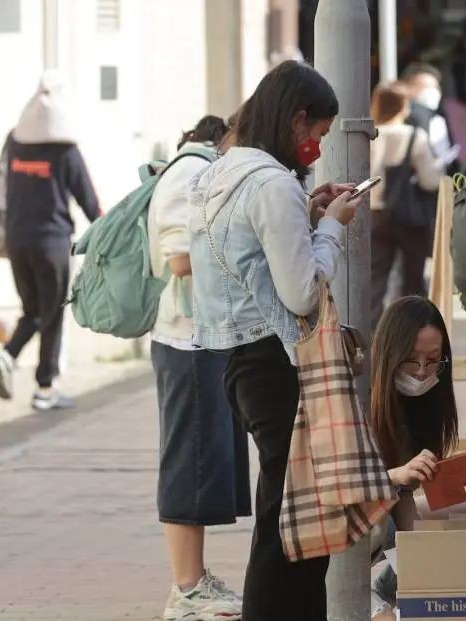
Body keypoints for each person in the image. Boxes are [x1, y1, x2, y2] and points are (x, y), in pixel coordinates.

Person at [188, 60, 361, 621]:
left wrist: (308, 212)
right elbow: (303, 293)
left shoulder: (219, 174)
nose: (317, 147)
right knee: (294, 525)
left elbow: (249, 254)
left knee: (283, 515)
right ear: (296, 119)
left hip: (239, 360)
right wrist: (332, 226)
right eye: (319, 133)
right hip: (279, 363)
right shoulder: (273, 184)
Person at [148, 116, 251, 621]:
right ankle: (186, 589)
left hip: (207, 336)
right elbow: (179, 259)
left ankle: (194, 581)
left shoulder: (206, 170)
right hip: (185, 337)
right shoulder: (190, 172)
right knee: (188, 462)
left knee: (204, 462)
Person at [0, 70, 100, 411]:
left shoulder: (15, 141)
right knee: (51, 313)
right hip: (52, 243)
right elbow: (88, 199)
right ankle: (45, 387)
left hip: (17, 239)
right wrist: (108, 234)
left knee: (33, 310)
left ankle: (8, 355)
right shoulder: (65, 150)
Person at [368, 296, 459, 621]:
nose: (421, 372)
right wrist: (396, 475)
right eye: (410, 360)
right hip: (341, 547)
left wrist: (421, 566)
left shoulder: (422, 407)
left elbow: (405, 498)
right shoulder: (358, 400)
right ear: (389, 354)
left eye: (433, 360)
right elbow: (339, 490)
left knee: (455, 516)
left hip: (382, 526)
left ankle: (390, 585)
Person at [369, 83, 444, 331]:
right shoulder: (414, 136)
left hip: (375, 214)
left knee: (375, 279)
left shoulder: (368, 135)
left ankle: (372, 335)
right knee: (412, 280)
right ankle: (409, 331)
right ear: (402, 106)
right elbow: (430, 181)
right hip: (409, 216)